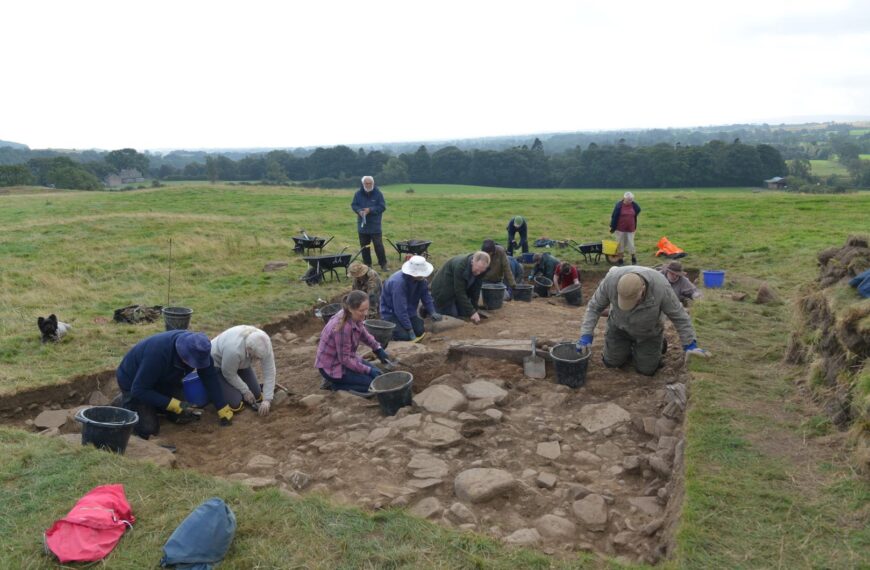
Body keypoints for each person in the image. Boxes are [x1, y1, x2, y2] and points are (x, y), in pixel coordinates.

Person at [577, 266, 708, 376]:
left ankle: (659, 345)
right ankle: (625, 349)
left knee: (647, 370)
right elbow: (594, 307)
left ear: (643, 289)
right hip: (619, 328)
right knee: (611, 363)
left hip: (648, 333)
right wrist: (586, 336)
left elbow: (679, 316)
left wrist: (690, 345)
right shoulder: (610, 281)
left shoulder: (660, 286)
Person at [114, 331, 234, 439]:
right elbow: (139, 389)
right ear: (182, 353)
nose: (195, 365)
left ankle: (155, 404)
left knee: (185, 415)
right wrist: (173, 404)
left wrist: (221, 406)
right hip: (134, 383)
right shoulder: (157, 354)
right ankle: (125, 401)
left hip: (164, 380)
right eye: (192, 362)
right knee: (148, 430)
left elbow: (209, 377)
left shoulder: (200, 349)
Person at [315, 290, 392, 395]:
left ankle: (343, 381)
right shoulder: (342, 327)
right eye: (361, 310)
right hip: (332, 367)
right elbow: (345, 360)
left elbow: (364, 334)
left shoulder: (354, 316)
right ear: (351, 309)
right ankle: (334, 385)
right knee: (372, 385)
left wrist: (378, 349)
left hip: (347, 358)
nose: (365, 313)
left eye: (367, 309)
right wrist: (368, 370)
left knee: (377, 373)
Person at [211, 325, 276, 416]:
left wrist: (267, 399)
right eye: (256, 357)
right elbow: (229, 374)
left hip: (240, 364)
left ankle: (232, 387)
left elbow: (270, 371)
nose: (257, 360)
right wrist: (245, 391)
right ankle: (214, 388)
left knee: (257, 395)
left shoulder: (264, 342)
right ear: (248, 349)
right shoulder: (233, 350)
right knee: (235, 402)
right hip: (216, 364)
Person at [380, 255, 441, 341]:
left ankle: (405, 327)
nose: (423, 276)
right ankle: (389, 333)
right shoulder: (398, 283)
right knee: (404, 337)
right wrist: (409, 329)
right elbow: (400, 310)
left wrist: (432, 311)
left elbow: (426, 296)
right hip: (391, 313)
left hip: (409, 312)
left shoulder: (421, 280)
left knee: (420, 331)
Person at [431, 251, 491, 324]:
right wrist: (472, 312)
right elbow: (460, 291)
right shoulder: (460, 266)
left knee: (465, 313)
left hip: (457, 288)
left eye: (481, 271)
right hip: (443, 289)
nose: (478, 273)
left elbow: (476, 290)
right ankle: (430, 306)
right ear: (472, 262)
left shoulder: (481, 269)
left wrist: (474, 309)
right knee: (453, 315)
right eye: (476, 270)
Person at [351, 175, 388, 271]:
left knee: (378, 246)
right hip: (363, 226)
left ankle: (383, 265)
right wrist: (359, 211)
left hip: (375, 226)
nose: (368, 185)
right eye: (366, 183)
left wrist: (370, 210)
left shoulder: (378, 193)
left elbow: (382, 207)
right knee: (364, 247)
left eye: (370, 183)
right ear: (363, 184)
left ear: (373, 183)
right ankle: (367, 265)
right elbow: (354, 205)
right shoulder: (357, 194)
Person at [610, 191, 641, 265]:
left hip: (631, 228)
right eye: (628, 200)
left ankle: (633, 258)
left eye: (631, 199)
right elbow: (614, 216)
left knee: (631, 244)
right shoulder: (619, 205)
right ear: (624, 198)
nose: (630, 201)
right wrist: (612, 226)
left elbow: (638, 210)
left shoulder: (633, 205)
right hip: (620, 228)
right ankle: (620, 259)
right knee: (620, 244)